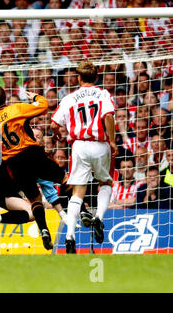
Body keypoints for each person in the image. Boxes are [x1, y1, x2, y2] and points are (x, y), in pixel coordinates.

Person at [0, 87, 69, 250]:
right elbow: (43, 106)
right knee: (63, 180)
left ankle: (38, 229)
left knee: (32, 210)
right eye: (36, 135)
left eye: (39, 136)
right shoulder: (16, 111)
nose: (36, 137)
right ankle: (81, 210)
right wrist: (36, 98)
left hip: (11, 176)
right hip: (7, 174)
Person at [51, 60, 117, 254]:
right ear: (96, 77)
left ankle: (70, 235)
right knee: (104, 183)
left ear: (78, 78)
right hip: (100, 144)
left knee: (77, 193)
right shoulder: (103, 94)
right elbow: (108, 117)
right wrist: (112, 141)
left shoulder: (69, 98)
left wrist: (57, 134)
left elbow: (54, 123)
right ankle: (99, 218)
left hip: (79, 145)